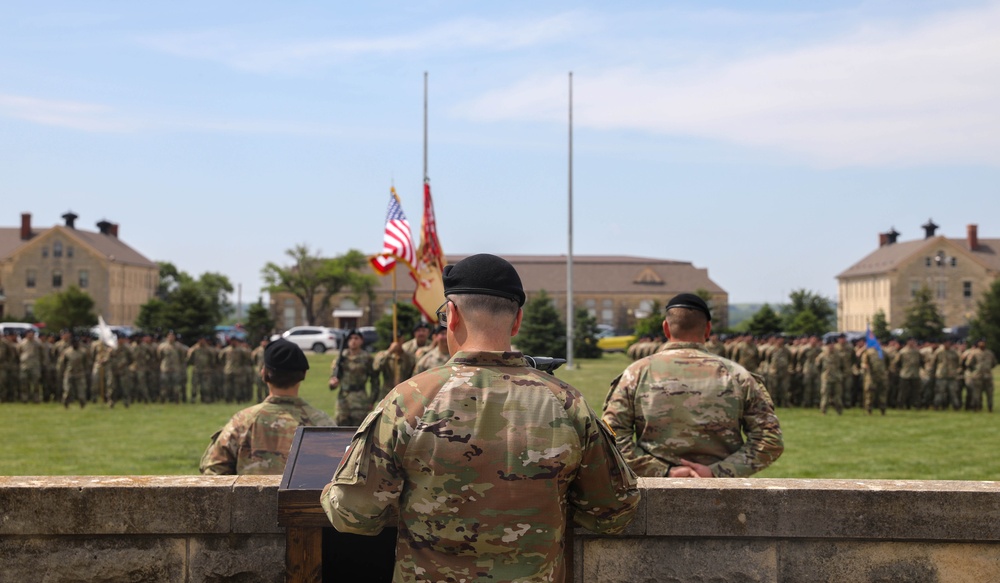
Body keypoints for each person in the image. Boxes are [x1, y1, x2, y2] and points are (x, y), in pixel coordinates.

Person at [322, 253, 639, 582]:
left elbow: (354, 516)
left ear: (452, 315)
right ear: (517, 321)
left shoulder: (408, 400)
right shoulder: (568, 404)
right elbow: (613, 512)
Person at [603, 293, 783, 478]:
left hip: (655, 493)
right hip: (723, 493)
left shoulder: (636, 373)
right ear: (708, 329)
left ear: (666, 328)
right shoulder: (738, 375)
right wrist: (717, 473)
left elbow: (609, 436)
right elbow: (769, 440)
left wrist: (663, 472)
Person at [199, 338, 335, 475]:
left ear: (264, 374)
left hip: (249, 497)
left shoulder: (242, 421)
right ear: (303, 374)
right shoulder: (321, 423)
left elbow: (213, 473)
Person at [328, 329, 379, 426]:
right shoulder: (341, 358)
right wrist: (333, 383)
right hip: (343, 400)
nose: (353, 341)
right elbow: (333, 379)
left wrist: (372, 400)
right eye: (351, 338)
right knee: (340, 429)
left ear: (361, 341)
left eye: (356, 338)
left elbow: (375, 381)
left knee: (358, 430)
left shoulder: (367, 358)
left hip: (360, 399)